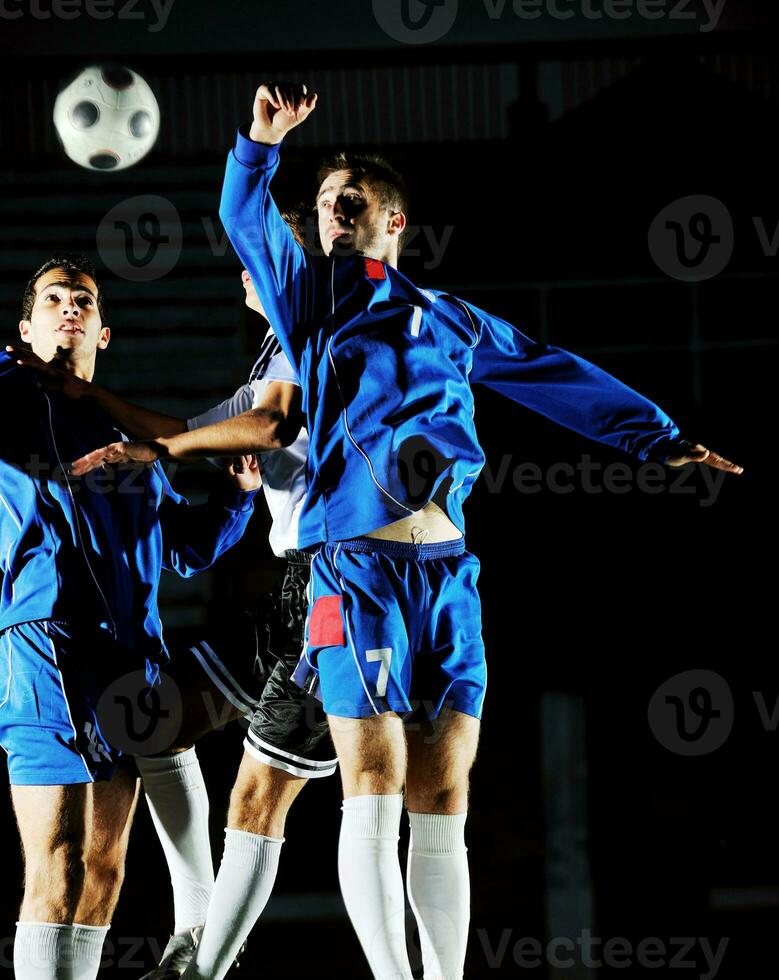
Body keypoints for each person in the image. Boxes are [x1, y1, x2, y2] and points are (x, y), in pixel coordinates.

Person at [73, 83, 743, 980]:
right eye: (321, 208)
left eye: (352, 203)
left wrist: (652, 438)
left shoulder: (449, 317)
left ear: (394, 221)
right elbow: (245, 218)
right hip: (354, 574)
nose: (334, 216)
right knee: (371, 786)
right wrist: (258, 145)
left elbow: (551, 372)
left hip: (449, 576)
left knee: (445, 793)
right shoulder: (308, 306)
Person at [13, 269, 338, 980]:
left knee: (102, 871)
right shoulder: (9, 400)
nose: (69, 309)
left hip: (134, 653)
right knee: (59, 866)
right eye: (52, 301)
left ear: (103, 333)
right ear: (26, 331)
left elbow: (185, 549)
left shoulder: (119, 432)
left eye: (84, 301)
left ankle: (197, 932)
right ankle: (205, 930)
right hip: (47, 642)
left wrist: (234, 493)